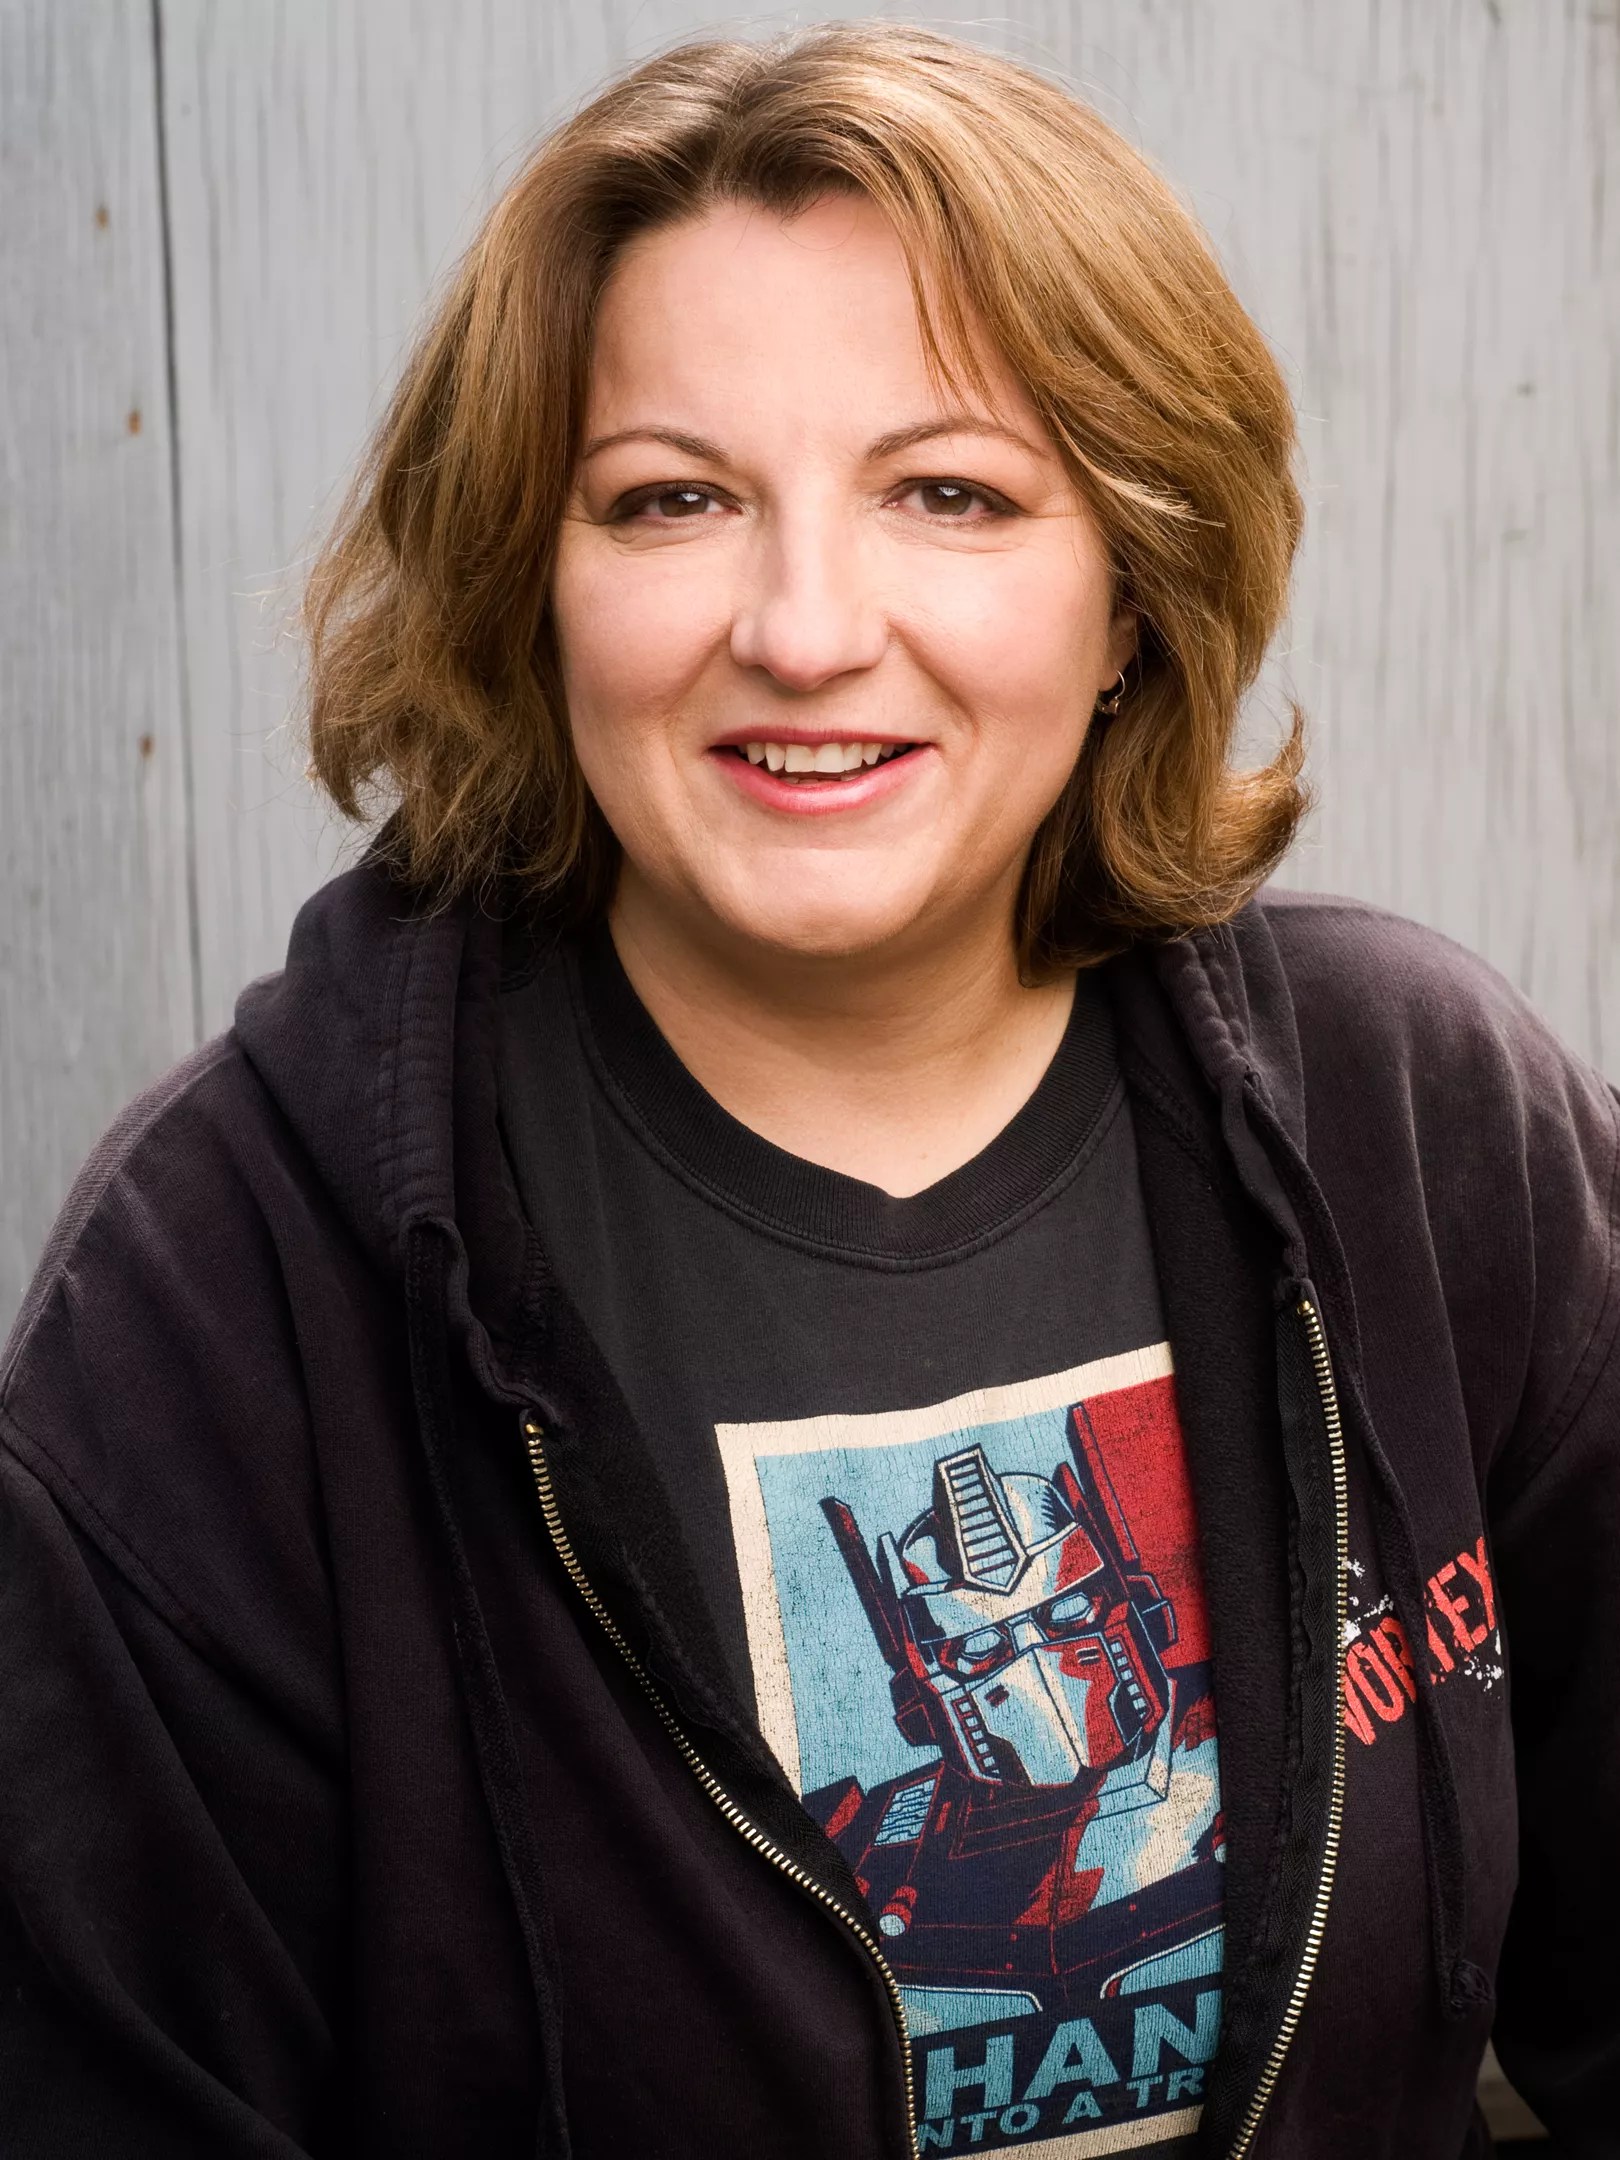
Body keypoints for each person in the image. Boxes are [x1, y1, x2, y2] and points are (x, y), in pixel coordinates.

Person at [0, 23, 1612, 2159]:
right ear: (532, 587)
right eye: (672, 499)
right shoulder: (220, 1289)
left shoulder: (1424, 1123)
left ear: (1130, 594)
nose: (805, 626)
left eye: (951, 494)